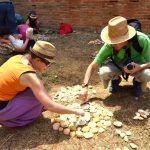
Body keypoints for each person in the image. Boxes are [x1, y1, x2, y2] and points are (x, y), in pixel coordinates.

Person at [0, 40, 84, 127]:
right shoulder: (29, 76)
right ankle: (10, 121)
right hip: (1, 107)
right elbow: (50, 106)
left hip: (3, 97)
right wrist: (75, 111)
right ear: (37, 60)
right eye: (48, 63)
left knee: (38, 93)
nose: (47, 67)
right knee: (39, 100)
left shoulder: (18, 57)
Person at [79, 16, 150, 103]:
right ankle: (115, 79)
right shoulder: (109, 45)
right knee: (104, 71)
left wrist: (140, 67)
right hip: (118, 65)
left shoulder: (142, 40)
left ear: (125, 38)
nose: (112, 44)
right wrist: (85, 86)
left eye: (115, 41)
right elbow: (92, 66)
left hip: (139, 65)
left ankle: (138, 82)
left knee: (147, 73)